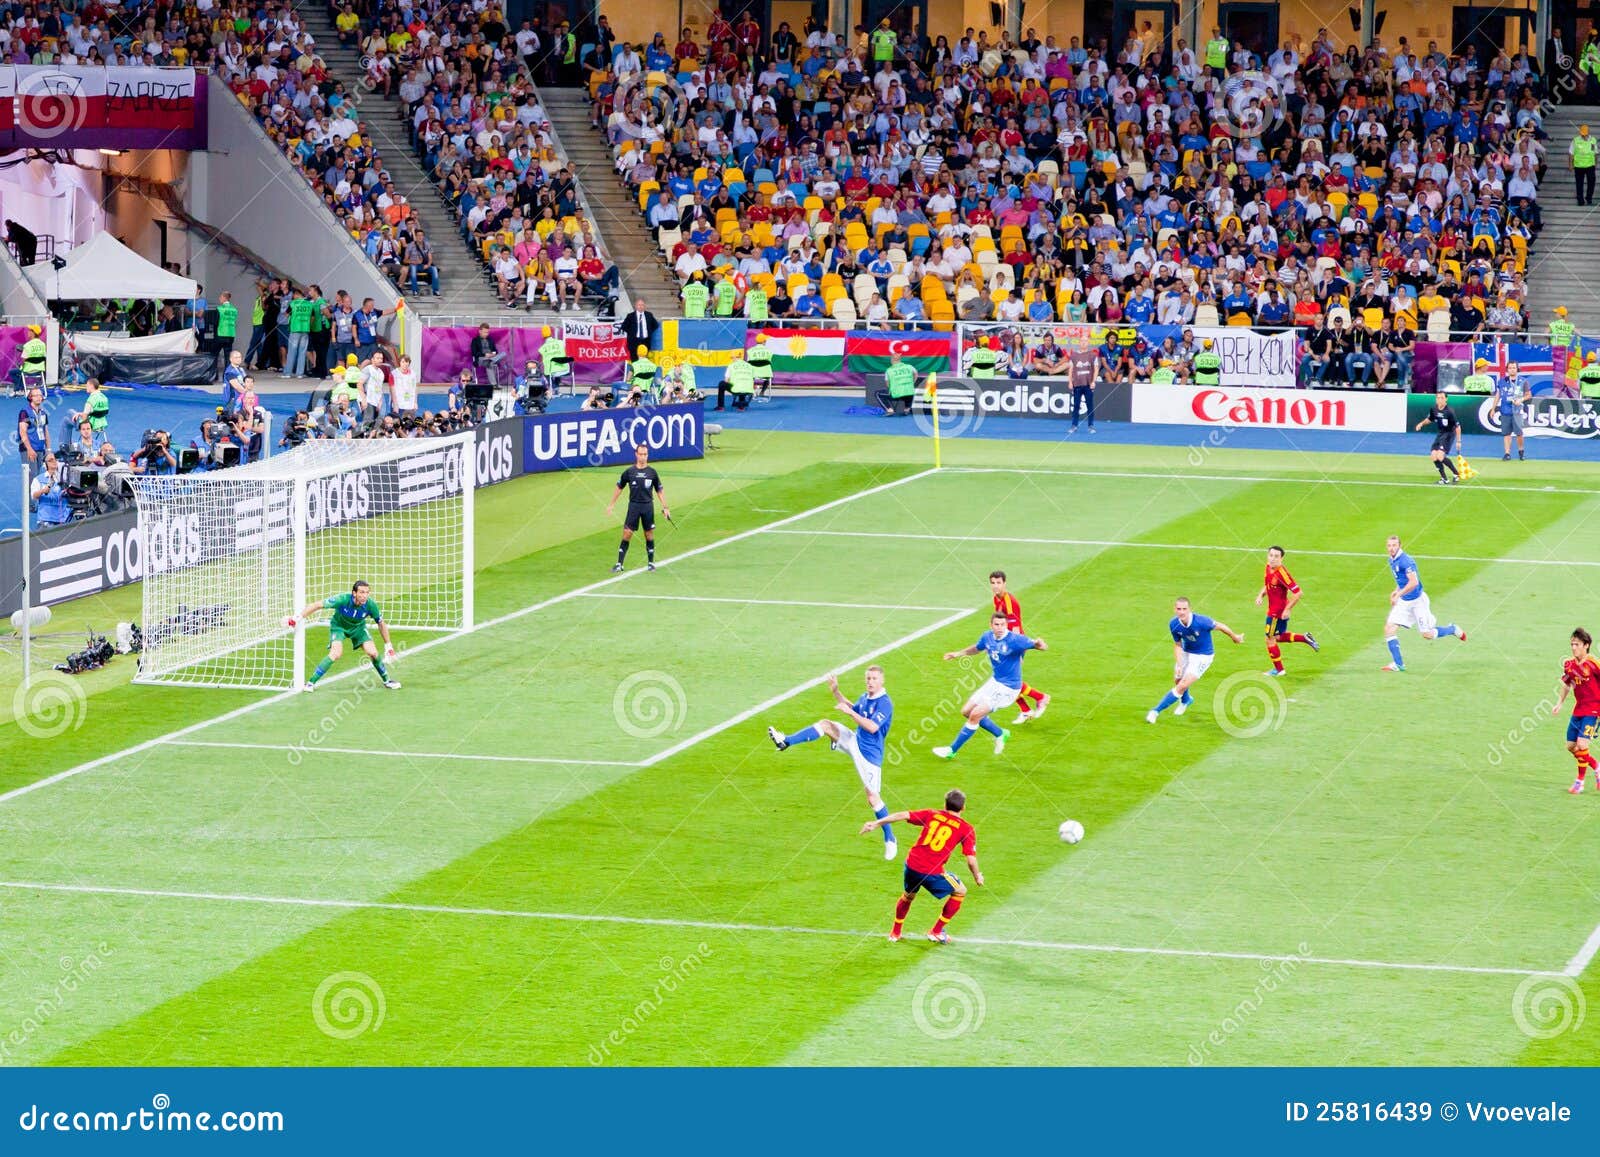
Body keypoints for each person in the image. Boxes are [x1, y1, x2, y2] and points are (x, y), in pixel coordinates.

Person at [767, 666, 899, 861]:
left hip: (869, 755)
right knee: (826, 724)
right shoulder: (865, 697)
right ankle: (786, 740)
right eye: (868, 678)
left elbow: (871, 727)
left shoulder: (885, 703)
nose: (870, 681)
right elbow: (854, 709)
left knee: (872, 797)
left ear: (882, 681)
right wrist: (836, 692)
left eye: (873, 678)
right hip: (855, 740)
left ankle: (890, 838)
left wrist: (850, 713)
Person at [859, 788, 983, 944]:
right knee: (960, 891)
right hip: (932, 872)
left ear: (945, 805)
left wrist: (877, 823)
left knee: (908, 896)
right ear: (963, 808)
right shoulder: (966, 828)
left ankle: (895, 933)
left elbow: (903, 815)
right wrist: (977, 876)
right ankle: (936, 931)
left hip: (912, 865)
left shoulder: (932, 814)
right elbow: (971, 860)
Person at [933, 611, 1049, 759]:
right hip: (995, 682)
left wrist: (1040, 644)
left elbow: (1041, 646)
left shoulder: (1015, 640)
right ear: (991, 625)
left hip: (1009, 688)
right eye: (997, 624)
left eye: (1003, 624)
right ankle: (1000, 733)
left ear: (1006, 625)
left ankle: (951, 750)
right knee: (966, 711)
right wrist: (958, 653)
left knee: (975, 715)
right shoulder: (987, 636)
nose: (1000, 627)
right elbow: (977, 648)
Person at [284, 581, 401, 692]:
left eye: (367, 592)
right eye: (361, 592)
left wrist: (388, 645)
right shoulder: (342, 599)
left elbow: (381, 623)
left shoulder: (370, 605)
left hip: (358, 628)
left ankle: (387, 681)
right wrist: (297, 618)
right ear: (354, 593)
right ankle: (310, 683)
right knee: (336, 653)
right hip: (339, 627)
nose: (365, 596)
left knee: (373, 653)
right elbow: (317, 605)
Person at [1147, 597, 1243, 723]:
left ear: (1189, 609)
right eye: (1179, 609)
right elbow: (1178, 645)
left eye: (1184, 609)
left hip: (1203, 656)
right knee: (1177, 679)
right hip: (1187, 652)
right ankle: (1186, 700)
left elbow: (1220, 626)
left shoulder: (1202, 621)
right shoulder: (1173, 624)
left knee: (1183, 685)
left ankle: (1155, 711)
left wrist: (1234, 637)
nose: (1181, 612)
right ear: (1174, 609)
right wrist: (1180, 664)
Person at [1382, 535, 1466, 672]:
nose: (1391, 548)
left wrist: (1398, 594)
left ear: (1400, 546)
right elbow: (1402, 580)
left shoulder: (1406, 561)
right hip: (1404, 602)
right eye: (1389, 545)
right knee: (1389, 629)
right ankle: (1399, 664)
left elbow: (1414, 582)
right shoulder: (1391, 560)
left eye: (1394, 545)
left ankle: (1452, 629)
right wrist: (1396, 590)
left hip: (1417, 602)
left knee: (1427, 634)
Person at [990, 570, 1051, 722]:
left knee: (1006, 680)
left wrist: (1018, 649)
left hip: (1015, 644)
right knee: (1005, 679)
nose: (996, 586)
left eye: (999, 583)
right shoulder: (996, 599)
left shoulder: (1009, 601)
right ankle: (1026, 709)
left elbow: (1015, 627)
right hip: (1005, 643)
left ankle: (1040, 698)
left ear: (1005, 583)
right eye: (993, 583)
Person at [605, 443, 671, 572]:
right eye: (641, 454)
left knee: (649, 534)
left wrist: (666, 507)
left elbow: (659, 490)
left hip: (647, 506)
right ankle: (619, 563)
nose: (643, 457)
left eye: (645, 454)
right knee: (627, 533)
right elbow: (619, 487)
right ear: (636, 454)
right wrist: (612, 504)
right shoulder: (630, 472)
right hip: (634, 506)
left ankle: (651, 563)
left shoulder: (652, 472)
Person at [1256, 546, 1320, 677]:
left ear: (1282, 558)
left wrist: (1287, 609)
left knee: (1269, 639)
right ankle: (1305, 638)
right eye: (1271, 555)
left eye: (1276, 556)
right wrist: (1260, 595)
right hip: (1274, 609)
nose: (1272, 559)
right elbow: (1267, 584)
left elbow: (1298, 593)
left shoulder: (1282, 574)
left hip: (1276, 612)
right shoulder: (1268, 567)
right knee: (1278, 637)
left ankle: (1279, 670)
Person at [1554, 627, 1600, 794]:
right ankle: (1596, 766)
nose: (1573, 648)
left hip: (1594, 710)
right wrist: (1559, 703)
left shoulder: (1594, 663)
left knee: (1582, 745)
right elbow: (1567, 685)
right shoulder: (1569, 664)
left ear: (1586, 645)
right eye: (1572, 644)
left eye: (1577, 644)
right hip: (1579, 709)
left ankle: (1579, 782)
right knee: (1571, 746)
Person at [1414, 391, 1462, 484]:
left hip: (1449, 434)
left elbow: (1458, 426)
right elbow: (1430, 419)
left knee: (1440, 456)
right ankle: (1444, 479)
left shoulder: (1449, 411)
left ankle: (1456, 474)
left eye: (1442, 398)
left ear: (1446, 399)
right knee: (1433, 456)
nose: (1440, 400)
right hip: (1440, 434)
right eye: (1438, 398)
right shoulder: (1434, 409)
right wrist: (1421, 424)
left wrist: (1458, 441)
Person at [1496, 365, 1531, 461]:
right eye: (1510, 368)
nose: (1512, 369)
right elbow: (1498, 394)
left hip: (1517, 410)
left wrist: (1521, 399)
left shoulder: (1523, 381)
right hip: (1505, 410)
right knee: (1506, 433)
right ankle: (1507, 454)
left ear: (1517, 369)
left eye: (1514, 368)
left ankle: (1521, 452)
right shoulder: (1502, 381)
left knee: (1519, 433)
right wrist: (1493, 408)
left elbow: (1529, 395)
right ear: (1507, 369)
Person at [17, 385, 48, 483]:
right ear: (30, 397)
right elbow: (23, 432)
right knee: (31, 479)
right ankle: (31, 499)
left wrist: (48, 449)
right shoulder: (25, 412)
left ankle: (35, 498)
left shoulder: (43, 413)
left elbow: (45, 431)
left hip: (40, 449)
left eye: (40, 395)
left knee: (37, 478)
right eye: (36, 395)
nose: (39, 397)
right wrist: (29, 450)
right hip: (28, 450)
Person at [29, 453, 70, 526]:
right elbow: (34, 496)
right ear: (45, 464)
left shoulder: (65, 478)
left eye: (55, 459)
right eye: (51, 460)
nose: (54, 461)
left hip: (63, 518)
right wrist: (43, 491)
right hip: (46, 519)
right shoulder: (38, 479)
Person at [877, 349, 916, 415]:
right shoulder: (909, 367)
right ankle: (907, 409)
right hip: (909, 393)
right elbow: (915, 374)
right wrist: (912, 383)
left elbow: (888, 384)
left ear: (892, 360)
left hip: (896, 395)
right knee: (909, 391)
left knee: (877, 393)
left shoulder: (889, 370)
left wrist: (894, 388)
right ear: (900, 359)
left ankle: (890, 410)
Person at [539, 326, 573, 394]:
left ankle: (554, 388)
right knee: (557, 370)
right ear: (551, 334)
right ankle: (556, 388)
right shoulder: (561, 342)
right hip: (565, 370)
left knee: (546, 373)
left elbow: (543, 362)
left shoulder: (542, 348)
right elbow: (568, 353)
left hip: (553, 372)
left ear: (543, 335)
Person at [1572, 124, 1597, 207]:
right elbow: (1571, 153)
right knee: (1579, 184)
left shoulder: (1593, 140)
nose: (1584, 135)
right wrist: (1570, 164)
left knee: (1591, 182)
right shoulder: (1575, 140)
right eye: (1582, 134)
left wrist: (1595, 163)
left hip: (1590, 165)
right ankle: (1580, 200)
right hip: (1578, 166)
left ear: (1588, 132)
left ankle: (1589, 198)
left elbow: (1595, 152)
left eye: (1585, 134)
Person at [746, 333, 774, 399]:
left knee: (749, 375)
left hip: (752, 373)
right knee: (769, 375)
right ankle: (762, 392)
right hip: (766, 373)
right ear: (764, 341)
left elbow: (748, 363)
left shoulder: (750, 351)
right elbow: (769, 362)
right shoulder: (769, 351)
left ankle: (752, 391)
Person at [19, 324, 47, 390]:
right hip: (40, 370)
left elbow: (23, 360)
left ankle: (19, 389)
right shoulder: (43, 344)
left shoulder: (27, 345)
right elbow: (44, 357)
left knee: (13, 372)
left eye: (29, 331)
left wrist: (21, 366)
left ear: (33, 333)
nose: (28, 332)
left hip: (28, 370)